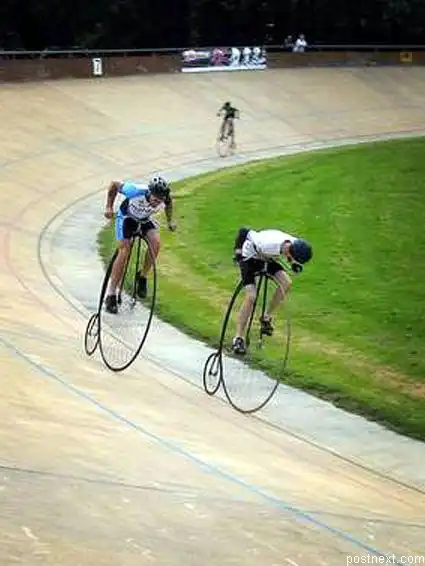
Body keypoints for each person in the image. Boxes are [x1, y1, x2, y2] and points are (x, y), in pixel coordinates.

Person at [231, 226, 313, 355]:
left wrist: (293, 263)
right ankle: (238, 338)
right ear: (290, 251)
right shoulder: (267, 243)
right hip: (250, 257)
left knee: (286, 282)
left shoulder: (294, 244)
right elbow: (244, 231)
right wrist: (238, 252)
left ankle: (266, 317)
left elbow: (289, 256)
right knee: (251, 296)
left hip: (266, 259)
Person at [103, 175, 176, 314]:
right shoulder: (135, 191)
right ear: (149, 193)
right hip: (127, 218)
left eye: (159, 201)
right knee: (124, 251)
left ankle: (142, 276)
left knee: (156, 243)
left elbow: (169, 205)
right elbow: (114, 184)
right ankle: (111, 294)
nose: (156, 204)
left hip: (144, 219)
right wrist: (109, 206)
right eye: (155, 200)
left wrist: (170, 221)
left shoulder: (164, 198)